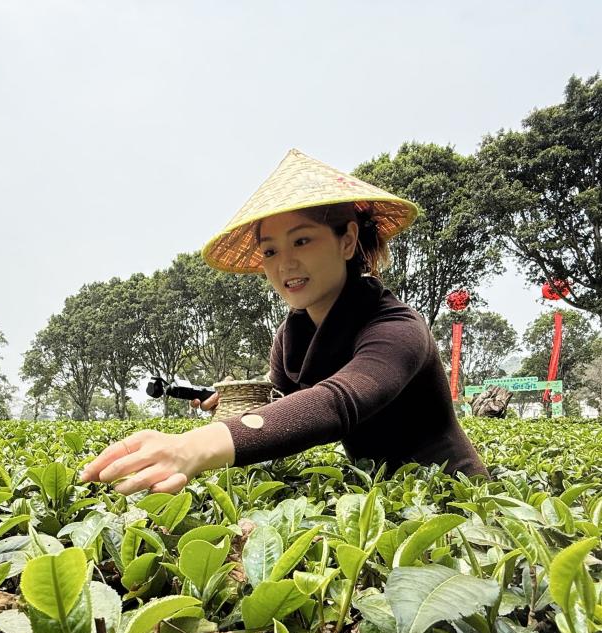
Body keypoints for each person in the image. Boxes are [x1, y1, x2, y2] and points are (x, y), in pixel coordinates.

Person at [79, 149, 488, 495]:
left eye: (302, 240)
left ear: (347, 240)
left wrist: (194, 446)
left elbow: (337, 401)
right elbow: (282, 407)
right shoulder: (291, 338)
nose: (285, 263)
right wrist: (233, 403)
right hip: (377, 495)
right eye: (270, 251)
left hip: (451, 496)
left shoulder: (397, 327)